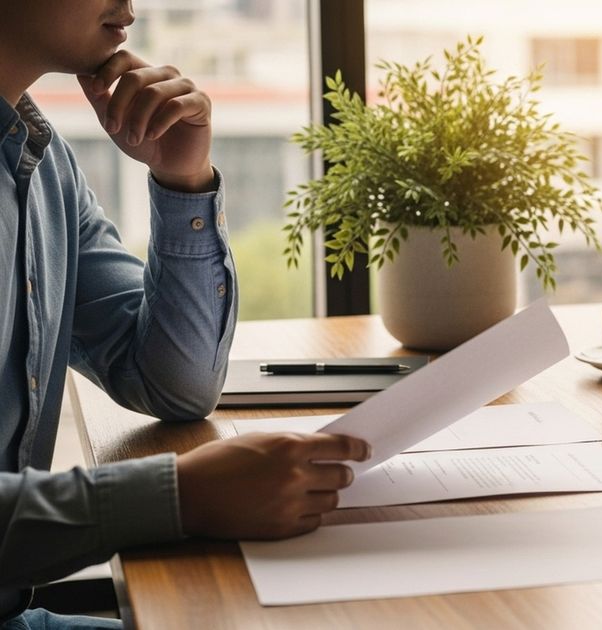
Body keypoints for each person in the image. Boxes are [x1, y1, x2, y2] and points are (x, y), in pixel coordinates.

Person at [0, 2, 371, 627]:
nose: (129, 7)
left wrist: (184, 179)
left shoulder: (42, 163)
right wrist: (182, 496)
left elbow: (175, 382)